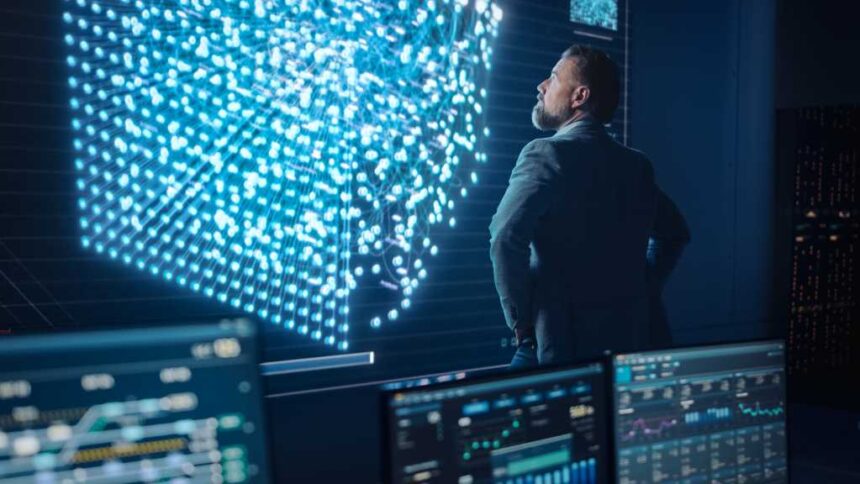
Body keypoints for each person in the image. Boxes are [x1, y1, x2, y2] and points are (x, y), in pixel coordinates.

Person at [489, 45, 659, 368]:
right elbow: (675, 234)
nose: (541, 86)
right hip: (627, 347)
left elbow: (505, 239)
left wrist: (522, 325)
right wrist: (643, 287)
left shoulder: (546, 154)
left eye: (552, 78)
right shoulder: (638, 167)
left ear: (579, 96)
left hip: (557, 346)